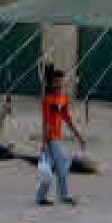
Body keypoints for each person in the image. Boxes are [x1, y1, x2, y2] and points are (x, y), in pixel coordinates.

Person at [37, 68, 85, 207]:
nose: (59, 84)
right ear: (51, 83)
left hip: (57, 138)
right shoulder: (48, 99)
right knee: (61, 164)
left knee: (51, 168)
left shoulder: (63, 98)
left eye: (61, 81)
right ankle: (62, 195)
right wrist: (44, 143)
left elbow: (67, 119)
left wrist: (79, 136)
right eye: (56, 81)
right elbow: (45, 122)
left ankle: (41, 197)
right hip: (50, 139)